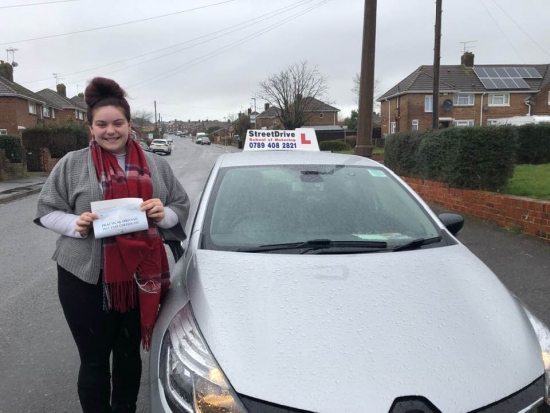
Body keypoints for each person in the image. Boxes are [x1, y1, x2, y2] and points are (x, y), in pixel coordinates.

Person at [34, 77, 190, 413]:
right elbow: (47, 210)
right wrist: (75, 224)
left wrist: (164, 215)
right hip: (83, 278)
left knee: (127, 354)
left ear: (129, 125)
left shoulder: (156, 164)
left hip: (138, 277)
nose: (110, 131)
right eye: (101, 124)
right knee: (93, 360)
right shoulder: (72, 164)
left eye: (118, 123)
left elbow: (180, 206)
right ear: (90, 128)